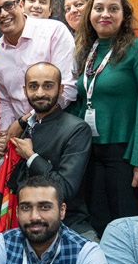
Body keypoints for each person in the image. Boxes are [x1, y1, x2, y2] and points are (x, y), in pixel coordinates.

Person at [68, 0, 138, 237]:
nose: (105, 14)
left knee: (126, 228)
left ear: (124, 14)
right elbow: (80, 100)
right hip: (89, 153)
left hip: (125, 155)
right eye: (98, 8)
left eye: (113, 8)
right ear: (90, 14)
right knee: (95, 225)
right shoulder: (86, 51)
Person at [0, 0, 77, 158]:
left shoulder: (54, 32)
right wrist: (4, 134)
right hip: (21, 139)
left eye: (8, 5)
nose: (3, 14)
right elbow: (6, 101)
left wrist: (24, 121)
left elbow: (67, 90)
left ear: (20, 4)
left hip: (58, 131)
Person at [8, 62, 93, 238]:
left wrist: (31, 157)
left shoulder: (77, 129)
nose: (40, 93)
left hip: (68, 223)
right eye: (33, 86)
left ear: (61, 90)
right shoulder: (28, 126)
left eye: (48, 86)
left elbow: (66, 189)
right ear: (25, 91)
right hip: (25, 220)